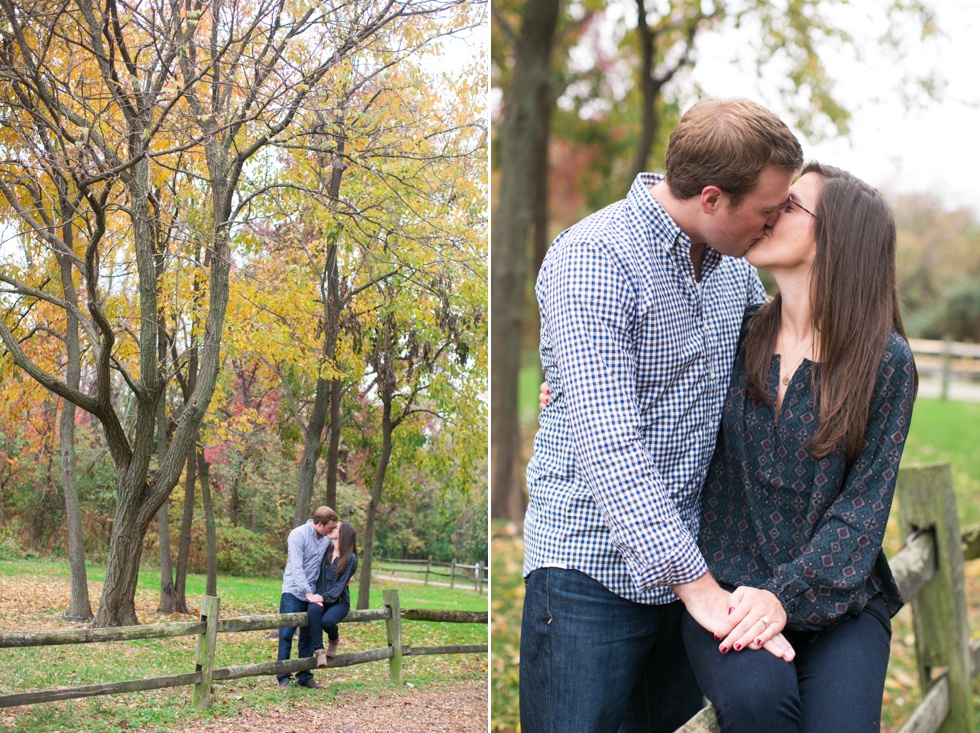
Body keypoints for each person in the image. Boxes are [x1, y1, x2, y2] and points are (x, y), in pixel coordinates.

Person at [520, 97, 803, 733]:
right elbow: (611, 446)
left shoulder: (734, 271)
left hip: (695, 569)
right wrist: (697, 587)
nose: (775, 223)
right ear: (711, 199)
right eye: (767, 210)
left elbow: (762, 393)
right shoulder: (596, 258)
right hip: (590, 573)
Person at [680, 162, 917, 731]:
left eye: (789, 205)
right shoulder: (735, 334)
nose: (767, 211)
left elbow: (861, 515)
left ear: (837, 239)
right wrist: (566, 390)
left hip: (841, 600)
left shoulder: (884, 363)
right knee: (761, 707)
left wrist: (783, 597)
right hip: (727, 591)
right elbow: (657, 391)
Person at [277, 505, 338, 690]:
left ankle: (304, 676)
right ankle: (283, 677)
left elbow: (334, 558)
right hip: (293, 592)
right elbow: (296, 567)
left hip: (313, 594)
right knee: (286, 634)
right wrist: (307, 593)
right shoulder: (298, 535)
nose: (332, 531)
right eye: (330, 528)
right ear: (319, 524)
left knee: (309, 636)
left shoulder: (326, 540)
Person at [310, 520, 359, 668]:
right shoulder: (328, 550)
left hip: (339, 601)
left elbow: (340, 585)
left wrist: (323, 597)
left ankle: (334, 639)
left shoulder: (351, 558)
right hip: (321, 596)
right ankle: (319, 651)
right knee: (313, 610)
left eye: (335, 527)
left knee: (327, 622)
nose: (331, 528)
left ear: (343, 534)